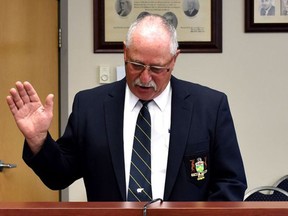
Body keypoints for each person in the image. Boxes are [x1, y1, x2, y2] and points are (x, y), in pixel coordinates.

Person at [6, 14, 247, 201]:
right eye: (136, 64)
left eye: (156, 68)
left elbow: (231, 182)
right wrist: (39, 141)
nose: (145, 77)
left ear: (174, 60)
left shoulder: (209, 107)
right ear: (124, 52)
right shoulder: (90, 106)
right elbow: (59, 176)